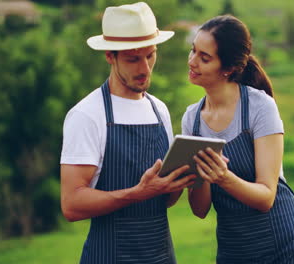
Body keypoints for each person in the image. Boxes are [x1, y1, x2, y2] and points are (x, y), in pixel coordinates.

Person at [60, 2, 196, 264]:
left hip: (162, 256)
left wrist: (186, 177)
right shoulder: (87, 115)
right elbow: (71, 204)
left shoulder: (160, 111)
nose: (145, 68)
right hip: (109, 256)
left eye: (150, 55)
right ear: (110, 56)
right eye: (133, 59)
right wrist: (137, 192)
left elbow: (163, 201)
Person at [182, 15, 294, 263]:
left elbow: (266, 197)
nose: (192, 61)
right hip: (234, 248)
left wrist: (223, 177)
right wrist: (200, 177)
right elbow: (199, 210)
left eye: (204, 57)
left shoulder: (259, 106)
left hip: (282, 243)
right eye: (193, 51)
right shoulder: (192, 120)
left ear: (228, 68)